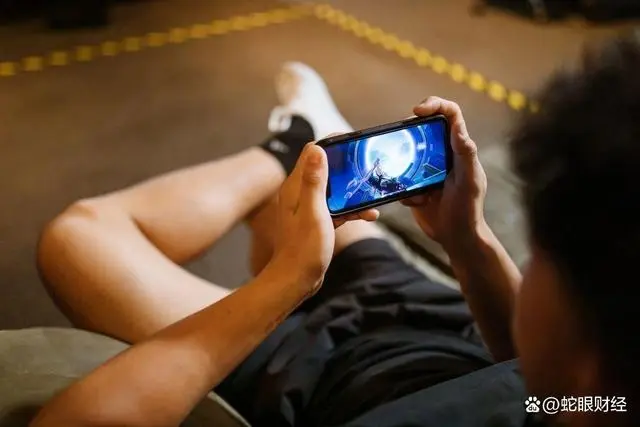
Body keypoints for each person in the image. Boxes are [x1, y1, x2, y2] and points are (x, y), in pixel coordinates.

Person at [31, 35, 640, 427]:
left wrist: (286, 283)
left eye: (541, 258)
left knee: (77, 237)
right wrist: (466, 236)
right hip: (433, 320)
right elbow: (534, 375)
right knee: (303, 203)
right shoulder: (602, 399)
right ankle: (300, 148)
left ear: (586, 343)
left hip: (307, 372)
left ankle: (289, 144)